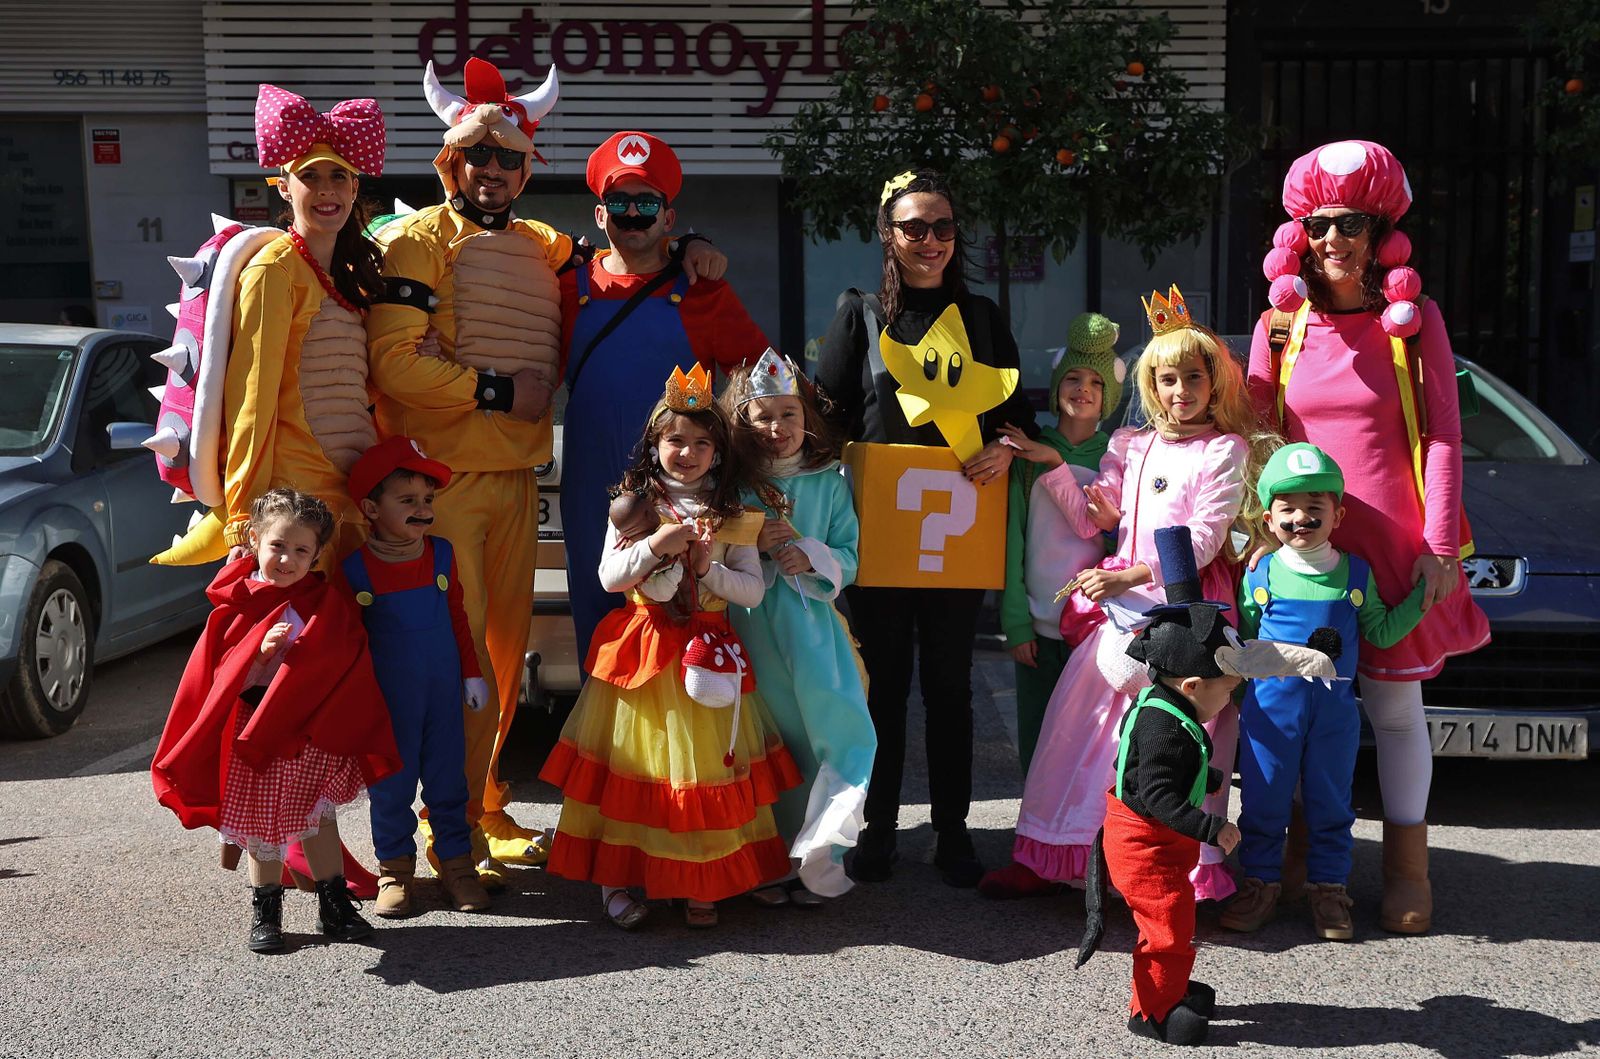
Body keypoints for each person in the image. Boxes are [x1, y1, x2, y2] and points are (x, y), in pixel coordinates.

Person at [149, 83, 391, 898]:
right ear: (282, 184)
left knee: (334, 687)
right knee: (287, 687)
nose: (328, 192)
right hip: (295, 516)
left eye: (342, 180)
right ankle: (294, 846)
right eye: (313, 176)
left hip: (343, 508)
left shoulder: (347, 272)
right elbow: (249, 400)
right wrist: (253, 525)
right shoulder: (277, 272)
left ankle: (308, 835)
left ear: (358, 192)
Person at [1251, 139, 1490, 933]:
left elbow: (1445, 436)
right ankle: (1286, 859)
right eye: (1319, 223)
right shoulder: (1279, 328)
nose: (1333, 240)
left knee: (1393, 710)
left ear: (1380, 230)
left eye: (1351, 223)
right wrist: (1253, 535)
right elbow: (1255, 438)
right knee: (1286, 702)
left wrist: (1442, 544)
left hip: (1392, 545)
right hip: (1296, 549)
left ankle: (1405, 866)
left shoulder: (1413, 325)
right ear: (1300, 231)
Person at [981, 286, 1253, 901]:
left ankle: (1166, 874)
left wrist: (1125, 576)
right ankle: (1054, 857)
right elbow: (1091, 523)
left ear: (1213, 382)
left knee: (1171, 737)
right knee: (1075, 732)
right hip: (1123, 605)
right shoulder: (1133, 443)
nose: (1178, 392)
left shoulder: (1223, 450)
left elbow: (1204, 539)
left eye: (1191, 377)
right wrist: (1052, 461)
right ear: (1150, 386)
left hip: (1182, 607)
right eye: (1165, 379)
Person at [814, 168, 1037, 887]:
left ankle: (952, 830)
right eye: (915, 227)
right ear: (889, 234)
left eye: (943, 226)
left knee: (950, 685)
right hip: (879, 528)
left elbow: (1017, 423)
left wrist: (1004, 450)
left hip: (958, 530)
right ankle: (877, 828)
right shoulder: (859, 314)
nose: (931, 240)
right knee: (881, 685)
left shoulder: (983, 317)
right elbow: (827, 419)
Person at [539, 363, 800, 929]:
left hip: (708, 649)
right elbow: (610, 577)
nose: (687, 452)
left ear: (718, 451)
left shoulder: (732, 512)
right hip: (644, 652)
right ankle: (616, 881)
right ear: (654, 443)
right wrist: (656, 545)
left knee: (704, 772)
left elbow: (751, 588)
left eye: (702, 443)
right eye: (675, 440)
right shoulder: (634, 503)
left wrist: (707, 571)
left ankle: (699, 878)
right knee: (635, 770)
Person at [1075, 525, 1340, 1047]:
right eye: (1229, 687)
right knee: (1167, 922)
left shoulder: (1173, 709)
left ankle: (1169, 986)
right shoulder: (1164, 725)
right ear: (1194, 685)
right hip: (1142, 845)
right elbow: (1155, 795)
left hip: (1157, 841)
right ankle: (1151, 1011)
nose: (1232, 695)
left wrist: (1209, 777)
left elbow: (1171, 772)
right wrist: (1211, 828)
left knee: (1174, 921)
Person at [151, 489, 400, 953]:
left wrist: (313, 659)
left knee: (319, 820)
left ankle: (334, 905)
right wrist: (262, 655)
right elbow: (221, 674)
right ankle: (266, 912)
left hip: (310, 734)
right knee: (261, 830)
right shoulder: (238, 603)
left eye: (301, 550)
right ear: (255, 541)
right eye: (277, 546)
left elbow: (346, 657)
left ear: (316, 555)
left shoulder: (324, 602)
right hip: (258, 732)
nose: (286, 559)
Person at [562, 130, 766, 671]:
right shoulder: (564, 284)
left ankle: (679, 748)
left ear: (668, 219)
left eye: (647, 203)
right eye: (619, 203)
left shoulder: (702, 290)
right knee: (597, 609)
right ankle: (602, 746)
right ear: (600, 215)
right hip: (593, 487)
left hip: (687, 491)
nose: (633, 215)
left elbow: (761, 378)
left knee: (684, 617)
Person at [1221, 442, 1426, 940]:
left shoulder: (1356, 572)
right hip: (1269, 713)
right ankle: (1261, 885)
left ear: (1338, 514)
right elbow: (1245, 636)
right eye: (1288, 509)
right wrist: (1233, 691)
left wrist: (1424, 598)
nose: (1301, 519)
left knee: (1332, 802)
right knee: (1264, 801)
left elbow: (1378, 632)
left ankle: (1329, 890)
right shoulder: (1260, 571)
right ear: (1269, 518)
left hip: (1334, 715)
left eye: (1315, 508)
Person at [722, 349, 876, 904]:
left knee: (826, 735)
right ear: (743, 421)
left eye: (788, 414)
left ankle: (818, 856)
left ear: (806, 419)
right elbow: (709, 542)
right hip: (749, 625)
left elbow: (851, 556)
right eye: (763, 415)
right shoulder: (731, 483)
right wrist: (748, 540)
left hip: (811, 629)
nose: (776, 428)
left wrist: (811, 557)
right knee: (763, 739)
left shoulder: (828, 482)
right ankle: (770, 861)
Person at [341, 436, 492, 918]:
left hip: (443, 696)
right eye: (407, 500)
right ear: (370, 508)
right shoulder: (354, 570)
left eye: (427, 500)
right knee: (392, 788)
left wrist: (471, 674)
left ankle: (457, 867)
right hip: (388, 705)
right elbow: (348, 645)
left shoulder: (442, 556)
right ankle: (395, 872)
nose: (423, 509)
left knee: (450, 783)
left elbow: (457, 619)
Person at [996, 312, 1123, 775]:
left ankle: (1079, 841)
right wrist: (1016, 622)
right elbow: (1012, 541)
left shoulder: (1117, 456)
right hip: (1036, 627)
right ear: (1055, 387)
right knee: (1038, 739)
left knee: (1089, 745)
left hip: (1093, 631)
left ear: (1108, 396)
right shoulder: (1028, 454)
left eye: (1095, 380)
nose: (1082, 387)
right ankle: (1034, 836)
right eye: (1072, 376)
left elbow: (1106, 532)